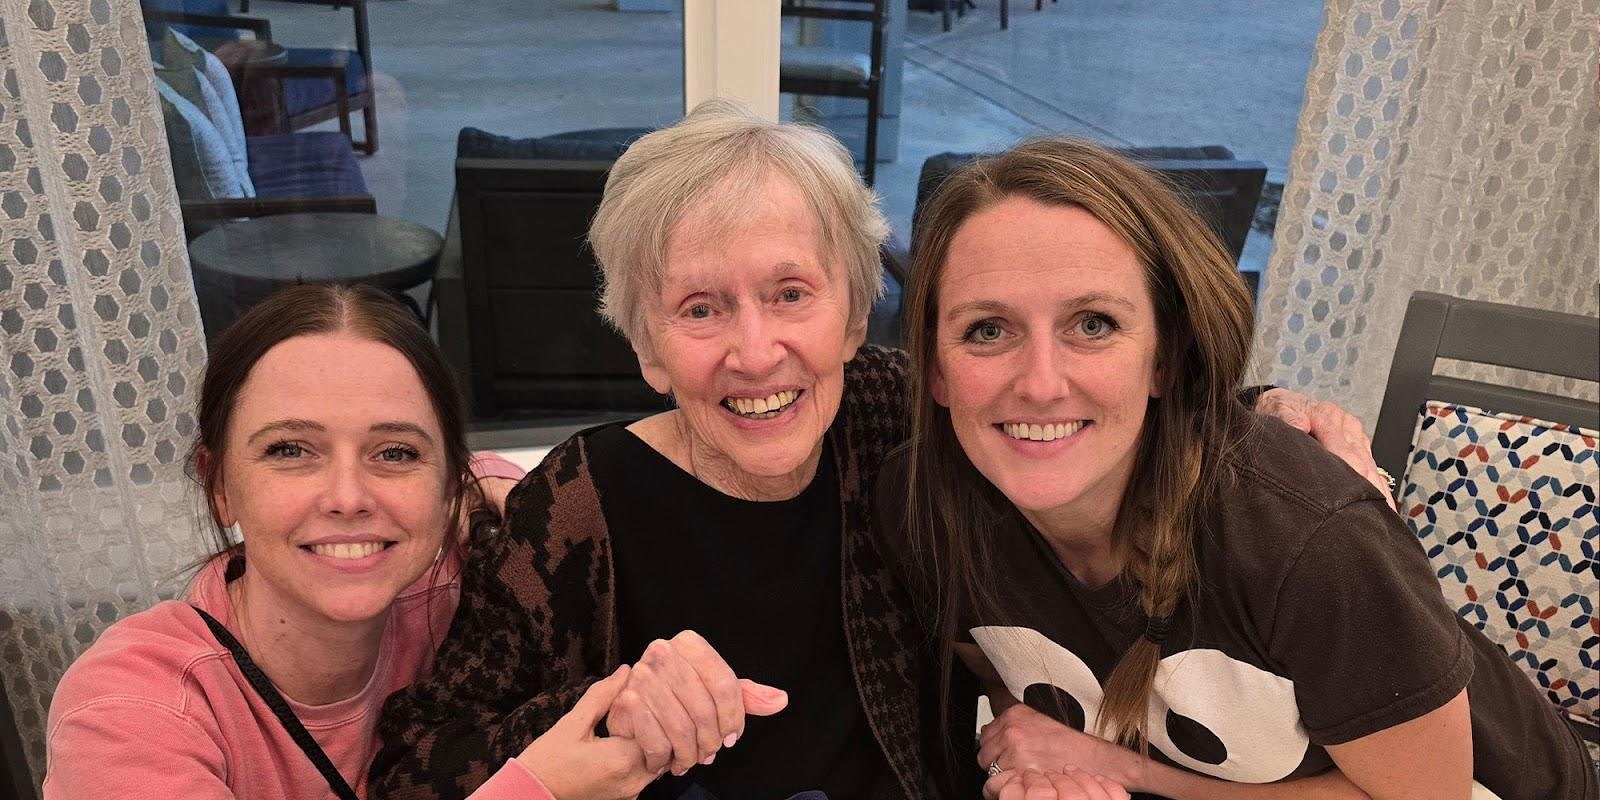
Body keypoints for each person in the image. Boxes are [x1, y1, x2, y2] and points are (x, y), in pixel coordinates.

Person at [371, 100, 1385, 800]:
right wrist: (605, 711)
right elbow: (416, 762)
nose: (755, 349)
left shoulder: (891, 412)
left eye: (791, 294)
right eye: (698, 307)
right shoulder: (577, 504)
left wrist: (1263, 408)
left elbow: (1072, 406)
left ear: (857, 316)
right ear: (643, 345)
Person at [877, 137, 1599, 800]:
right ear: (934, 369)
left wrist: (1118, 766)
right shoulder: (923, 506)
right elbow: (1012, 669)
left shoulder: (1314, 547)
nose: (1039, 383)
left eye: (1092, 324)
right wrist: (1043, 752)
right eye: (987, 330)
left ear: (1165, 356)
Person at [44, 285, 658, 799]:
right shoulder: (131, 713)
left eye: (395, 453)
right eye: (290, 450)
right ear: (219, 486)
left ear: (448, 486)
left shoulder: (460, 593)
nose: (348, 496)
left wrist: (517, 500)